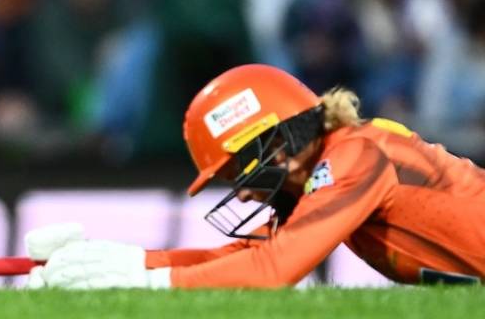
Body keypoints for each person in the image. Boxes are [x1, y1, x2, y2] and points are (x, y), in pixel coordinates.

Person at [25, 64, 485, 288]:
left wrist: (140, 281)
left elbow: (272, 270)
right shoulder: (330, 164)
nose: (243, 193)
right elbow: (238, 256)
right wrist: (121, 260)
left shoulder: (356, 158)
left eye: (240, 169)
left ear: (280, 140)